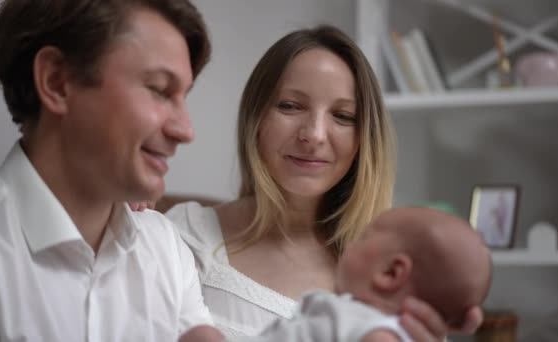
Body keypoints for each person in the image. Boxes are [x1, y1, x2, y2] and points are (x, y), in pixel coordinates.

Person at [164, 25, 483, 340]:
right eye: (290, 106)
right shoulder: (183, 238)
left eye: (343, 116)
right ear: (256, 118)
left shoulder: (399, 285)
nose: (314, 135)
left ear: (364, 139)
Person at [0, 0, 213, 341]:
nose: (185, 130)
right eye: (158, 89)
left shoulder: (166, 246)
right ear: (57, 81)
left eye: (184, 96)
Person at [179, 207, 492, 342]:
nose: (352, 243)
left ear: (390, 273)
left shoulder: (378, 333)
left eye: (365, 237)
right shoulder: (351, 313)